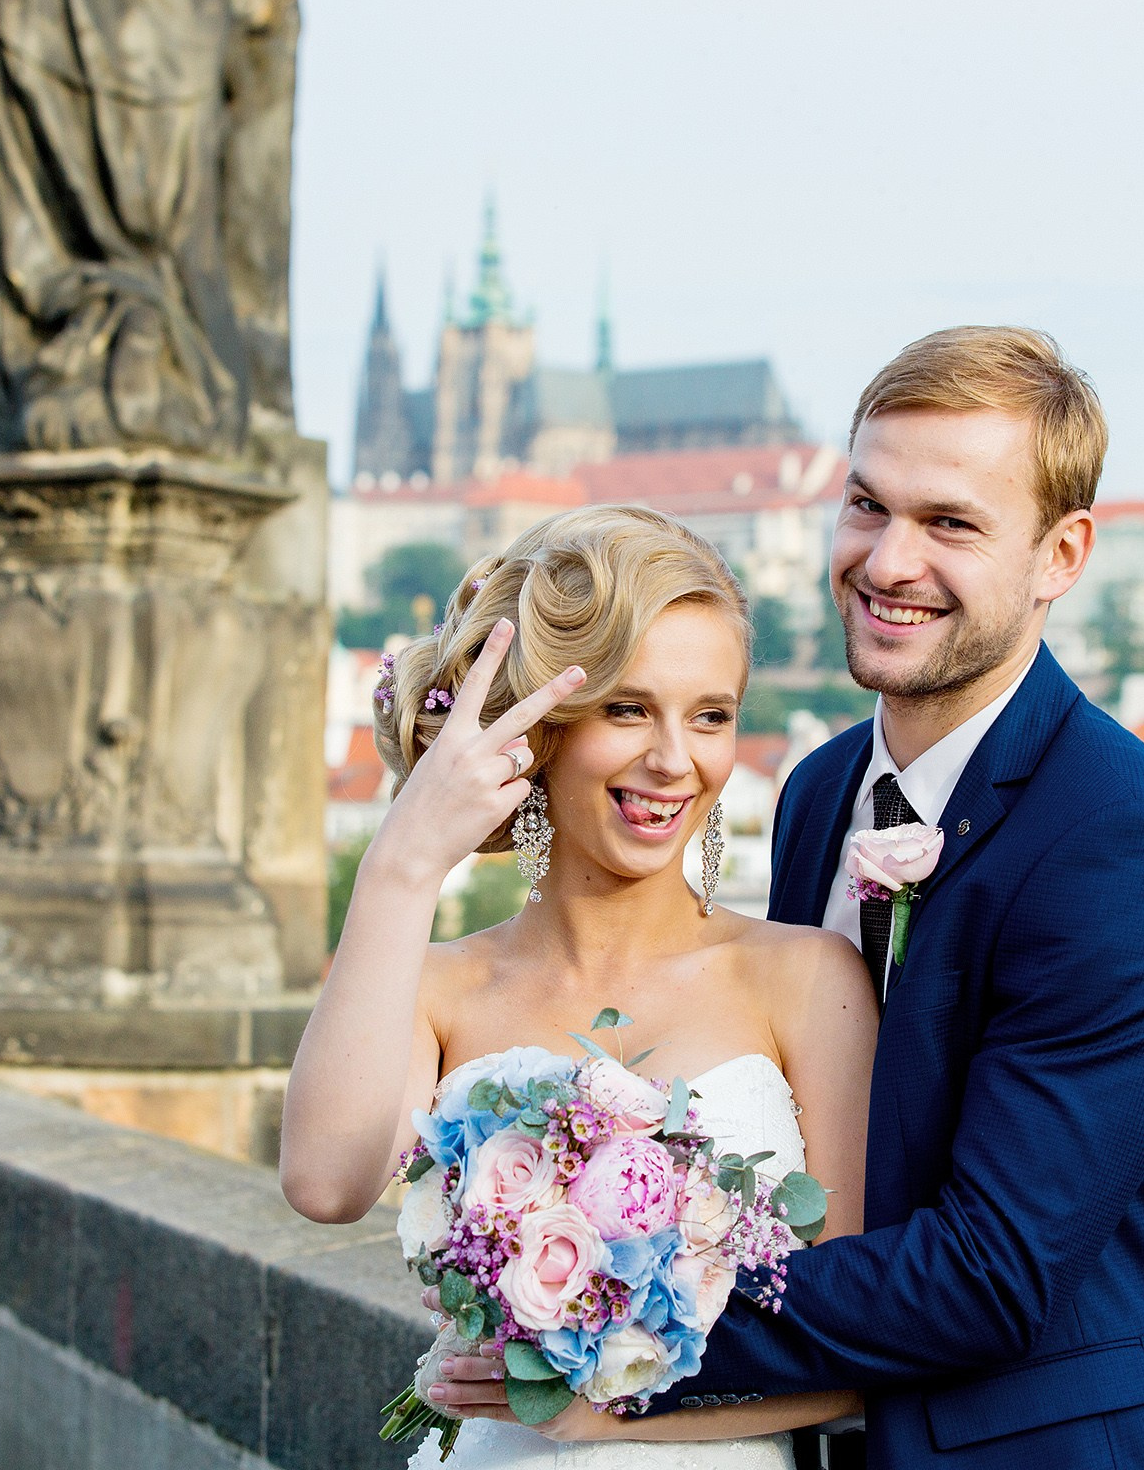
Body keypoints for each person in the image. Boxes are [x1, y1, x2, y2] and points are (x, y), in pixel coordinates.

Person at [434, 328, 1144, 1468]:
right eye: (869, 505)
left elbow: (991, 1274)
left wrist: (591, 1324)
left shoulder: (1122, 846)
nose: (886, 562)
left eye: (951, 524)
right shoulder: (824, 788)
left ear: (1061, 555)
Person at [281, 505, 882, 1468]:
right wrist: (401, 865)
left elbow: (854, 1352)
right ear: (543, 729)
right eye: (627, 707)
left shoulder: (805, 980)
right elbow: (323, 1182)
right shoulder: (441, 987)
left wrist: (593, 1413)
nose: (675, 760)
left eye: (712, 715)